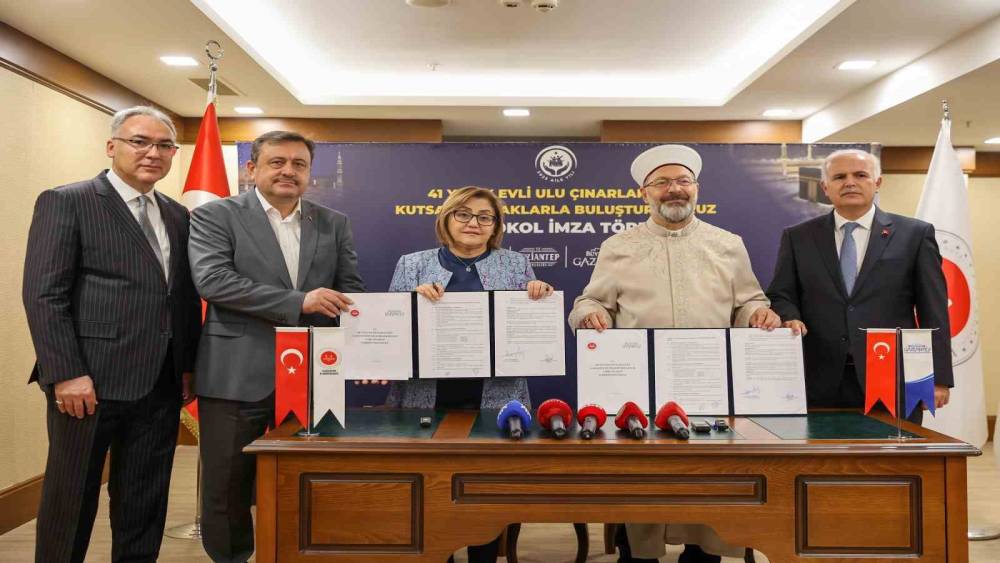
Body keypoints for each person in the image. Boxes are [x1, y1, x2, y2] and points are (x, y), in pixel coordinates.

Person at [568, 144, 779, 563]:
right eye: (662, 182)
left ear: (696, 188)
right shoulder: (619, 246)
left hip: (709, 387)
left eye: (683, 181)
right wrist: (592, 315)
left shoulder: (727, 244)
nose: (674, 189)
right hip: (639, 392)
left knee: (707, 489)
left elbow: (748, 301)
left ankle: (702, 555)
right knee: (641, 488)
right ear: (644, 193)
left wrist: (759, 314)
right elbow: (591, 301)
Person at [22, 106, 201, 563]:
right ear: (111, 146)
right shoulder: (68, 200)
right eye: (139, 141)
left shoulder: (177, 215)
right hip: (88, 383)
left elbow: (181, 296)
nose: (152, 153)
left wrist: (185, 366)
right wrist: (66, 373)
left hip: (160, 383)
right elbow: (44, 295)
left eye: (164, 145)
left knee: (144, 500)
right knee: (71, 498)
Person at [189, 130, 366, 563]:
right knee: (226, 484)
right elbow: (213, 281)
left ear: (309, 173)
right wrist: (299, 302)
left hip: (313, 377)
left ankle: (302, 554)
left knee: (307, 477)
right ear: (252, 169)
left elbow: (350, 292)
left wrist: (372, 350)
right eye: (277, 162)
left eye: (299, 164)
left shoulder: (333, 222)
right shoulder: (215, 215)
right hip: (235, 372)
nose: (289, 171)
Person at [385, 186, 554, 563]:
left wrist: (538, 294)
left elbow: (528, 328)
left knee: (488, 486)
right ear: (445, 219)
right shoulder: (412, 264)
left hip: (495, 394)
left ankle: (485, 555)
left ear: (495, 226)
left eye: (484, 217)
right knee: (431, 486)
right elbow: (393, 331)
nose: (473, 223)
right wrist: (411, 302)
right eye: (463, 214)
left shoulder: (515, 264)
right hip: (428, 395)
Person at [766, 149, 952, 421]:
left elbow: (933, 309)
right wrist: (790, 316)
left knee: (894, 450)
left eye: (860, 175)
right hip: (818, 380)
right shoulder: (798, 237)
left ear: (878, 183)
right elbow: (781, 294)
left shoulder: (915, 234)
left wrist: (939, 378)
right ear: (825, 187)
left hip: (893, 378)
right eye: (839, 177)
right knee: (822, 450)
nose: (850, 182)